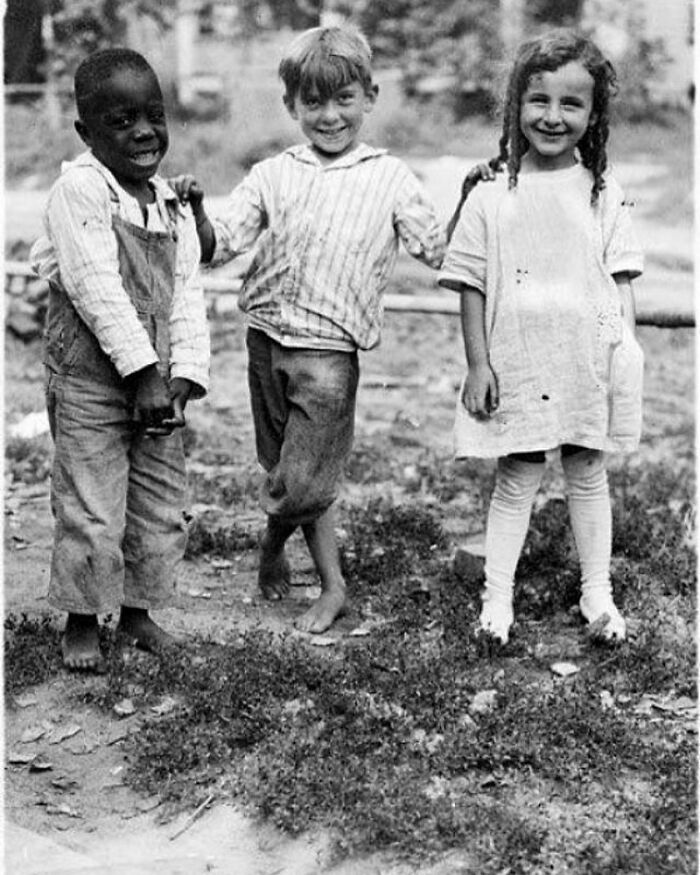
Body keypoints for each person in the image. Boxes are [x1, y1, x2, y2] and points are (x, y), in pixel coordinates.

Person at [174, 25, 487, 634]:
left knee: (306, 477)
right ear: (292, 105)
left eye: (343, 99)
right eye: (312, 102)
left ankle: (330, 584)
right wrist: (196, 209)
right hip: (265, 338)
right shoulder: (272, 173)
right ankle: (273, 543)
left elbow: (439, 250)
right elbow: (219, 245)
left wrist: (469, 198)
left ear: (369, 96)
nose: (329, 115)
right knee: (282, 467)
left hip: (329, 355)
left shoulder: (390, 177)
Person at [438, 29, 644, 645]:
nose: (553, 117)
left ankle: (597, 595)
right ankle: (496, 603)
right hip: (517, 362)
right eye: (539, 101)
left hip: (584, 361)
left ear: (593, 114)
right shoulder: (492, 195)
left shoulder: (602, 193)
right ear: (515, 106)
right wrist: (479, 365)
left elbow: (617, 285)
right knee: (518, 474)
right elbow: (470, 284)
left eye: (571, 104)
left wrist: (620, 351)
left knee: (587, 471)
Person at [30, 48, 210, 670]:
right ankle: (83, 616)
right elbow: (95, 287)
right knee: (91, 503)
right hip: (92, 382)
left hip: (155, 386)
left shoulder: (167, 202)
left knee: (158, 503)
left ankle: (138, 613)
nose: (143, 132)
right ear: (86, 132)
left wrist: (183, 373)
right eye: (121, 121)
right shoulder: (78, 191)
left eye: (154, 116)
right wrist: (140, 374)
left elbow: (186, 291)